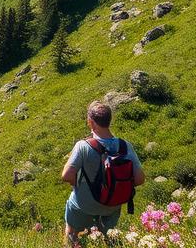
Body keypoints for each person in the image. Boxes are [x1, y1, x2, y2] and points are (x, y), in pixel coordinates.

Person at [60, 101, 145, 246]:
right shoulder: (125, 146)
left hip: (84, 205)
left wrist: (77, 184)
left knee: (72, 233)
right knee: (105, 241)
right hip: (113, 205)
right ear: (109, 120)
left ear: (90, 122)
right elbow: (139, 179)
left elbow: (66, 176)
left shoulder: (83, 146)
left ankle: (71, 241)